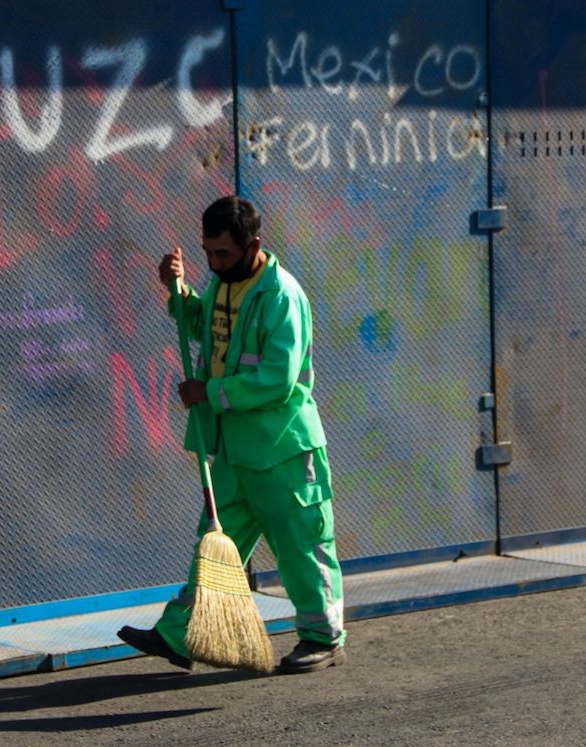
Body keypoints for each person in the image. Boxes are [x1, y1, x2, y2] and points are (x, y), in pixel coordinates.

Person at [118, 195, 345, 674]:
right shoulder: (224, 285)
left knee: (302, 546)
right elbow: (204, 328)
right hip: (233, 451)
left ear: (253, 245)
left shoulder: (283, 296)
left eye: (222, 253)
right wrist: (178, 293)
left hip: (284, 450)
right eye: (207, 253)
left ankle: (323, 636)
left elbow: (277, 379)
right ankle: (181, 634)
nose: (214, 263)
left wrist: (210, 391)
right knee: (215, 548)